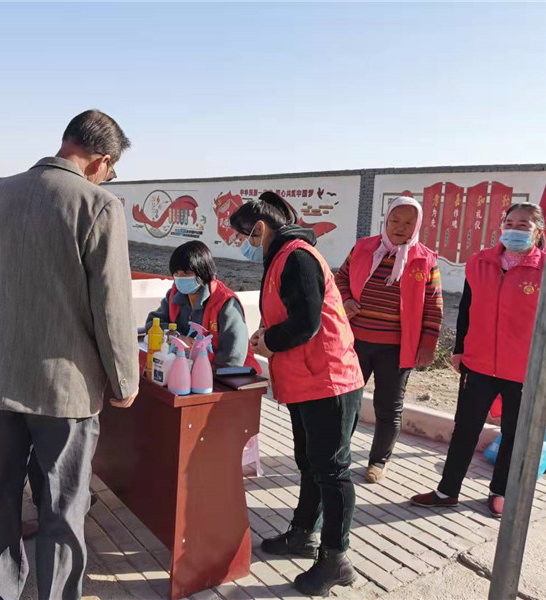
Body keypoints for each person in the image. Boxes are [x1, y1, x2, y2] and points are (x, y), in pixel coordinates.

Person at [0, 109, 139, 600]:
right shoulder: (99, 205)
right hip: (65, 392)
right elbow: (112, 307)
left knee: (0, 500)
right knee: (62, 506)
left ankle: (3, 593)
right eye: (111, 171)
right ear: (101, 160)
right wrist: (124, 381)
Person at [229, 192, 365, 597]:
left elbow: (306, 323)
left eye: (243, 235)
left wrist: (269, 340)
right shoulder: (280, 258)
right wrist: (267, 336)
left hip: (328, 380)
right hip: (307, 380)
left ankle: (336, 558)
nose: (242, 244)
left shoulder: (297, 257)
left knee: (333, 470)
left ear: (260, 228)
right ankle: (304, 533)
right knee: (310, 463)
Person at [410, 203, 546, 518]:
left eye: (523, 225)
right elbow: (467, 309)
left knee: (513, 433)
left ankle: (500, 492)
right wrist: (459, 349)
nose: (514, 229)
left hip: (524, 371)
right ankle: (446, 491)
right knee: (465, 429)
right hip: (478, 364)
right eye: (509, 222)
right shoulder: (480, 262)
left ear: (538, 231)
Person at [335, 196, 443, 483]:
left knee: (389, 408)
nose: (400, 227)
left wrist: (428, 345)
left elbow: (434, 306)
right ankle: (338, 455)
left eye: (408, 223)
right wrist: (346, 299)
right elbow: (340, 278)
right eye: (395, 220)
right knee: (346, 402)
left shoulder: (425, 259)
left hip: (396, 349)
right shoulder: (363, 248)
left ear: (417, 226)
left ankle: (378, 461)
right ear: (386, 219)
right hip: (355, 343)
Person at [145, 240, 260, 370]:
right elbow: (152, 324)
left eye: (186, 273)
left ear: (203, 272)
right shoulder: (174, 295)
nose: (180, 278)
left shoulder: (226, 302)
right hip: (185, 367)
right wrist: (175, 336)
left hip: (229, 374)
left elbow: (233, 356)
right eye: (176, 274)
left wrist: (203, 369)